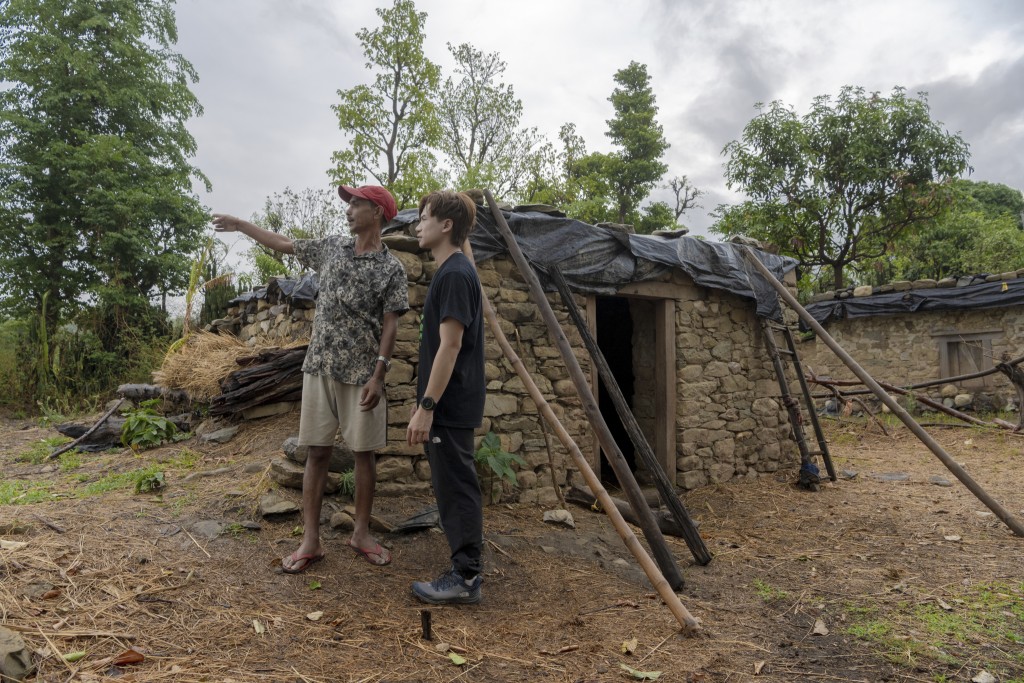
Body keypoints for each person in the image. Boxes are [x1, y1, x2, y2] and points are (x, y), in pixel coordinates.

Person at [213, 185, 408, 573]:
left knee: (364, 456)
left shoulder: (391, 269)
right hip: (318, 368)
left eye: (357, 203)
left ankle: (361, 534)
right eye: (349, 203)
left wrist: (379, 374)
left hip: (361, 375)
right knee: (316, 452)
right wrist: (241, 225)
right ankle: (310, 540)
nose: (349, 209)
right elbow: (284, 243)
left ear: (379, 213)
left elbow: (390, 326)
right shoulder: (332, 247)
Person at [406, 190, 486, 604]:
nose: (417, 225)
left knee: (456, 487)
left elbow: (450, 346)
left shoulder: (454, 275)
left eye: (424, 217)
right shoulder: (458, 268)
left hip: (449, 405)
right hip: (454, 404)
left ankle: (466, 577)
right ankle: (465, 571)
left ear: (446, 226)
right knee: (454, 483)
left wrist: (426, 408)